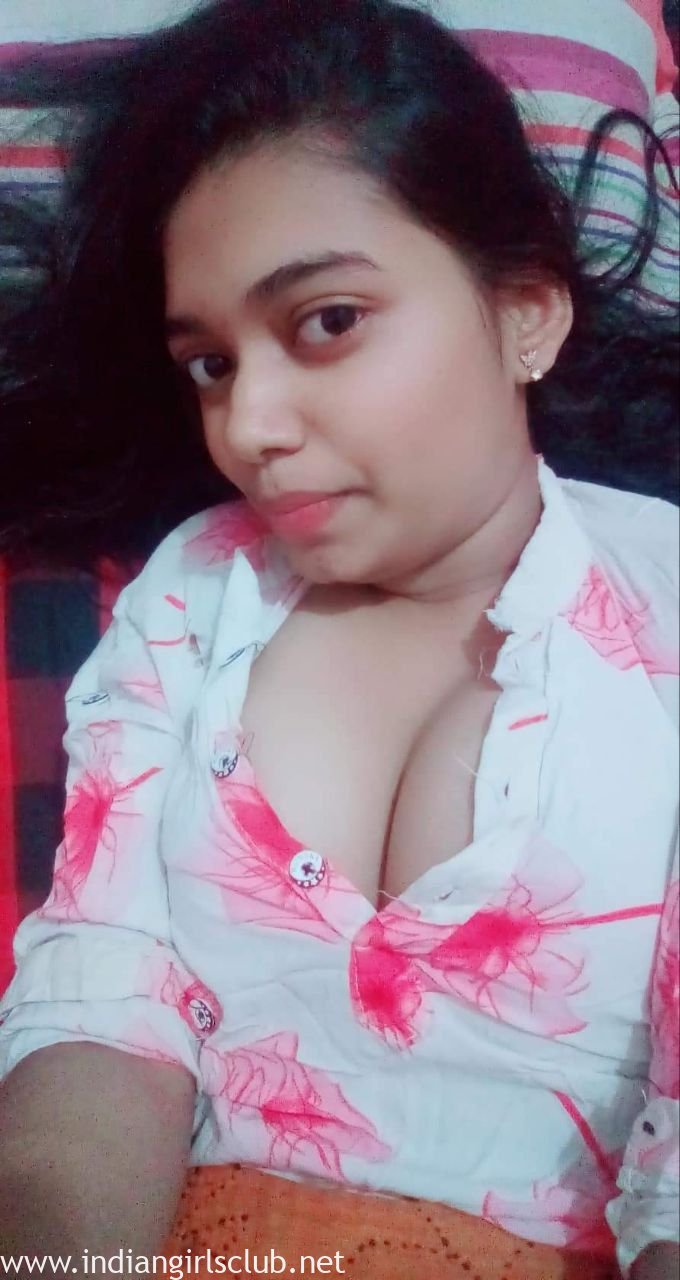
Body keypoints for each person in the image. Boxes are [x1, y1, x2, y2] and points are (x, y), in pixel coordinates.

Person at [0, 1, 678, 1276]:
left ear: (525, 312)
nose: (248, 425)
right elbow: (104, 997)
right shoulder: (194, 595)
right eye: (209, 363)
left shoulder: (666, 622)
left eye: (325, 320)